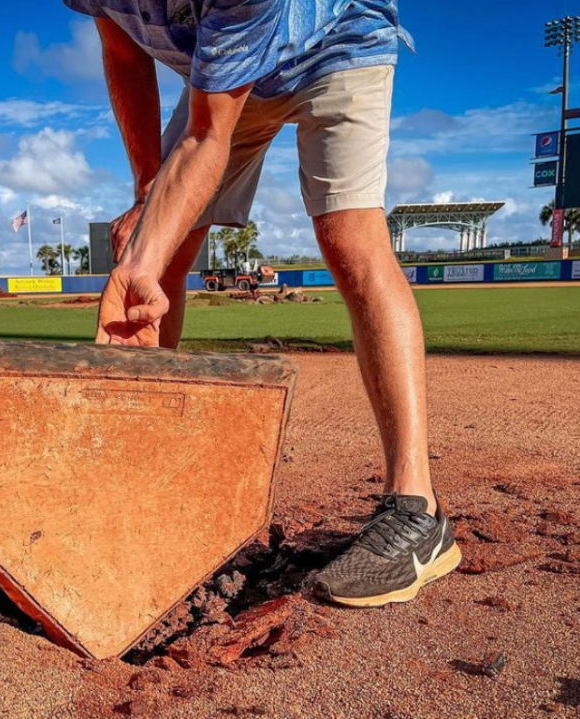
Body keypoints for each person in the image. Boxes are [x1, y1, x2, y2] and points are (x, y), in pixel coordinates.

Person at [66, 0, 460, 607]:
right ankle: (137, 465)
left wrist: (150, 235)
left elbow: (207, 135)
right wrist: (149, 198)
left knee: (349, 237)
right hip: (225, 82)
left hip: (337, 42)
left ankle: (417, 511)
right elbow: (122, 49)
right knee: (161, 243)